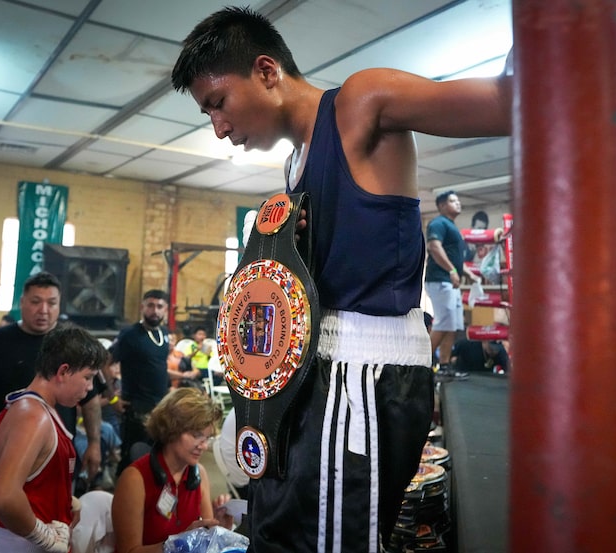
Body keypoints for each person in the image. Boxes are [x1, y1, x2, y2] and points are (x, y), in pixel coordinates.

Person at [171, 7, 511, 552]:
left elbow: (506, 103)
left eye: (218, 103)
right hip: (320, 373)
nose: (219, 127)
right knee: (279, 533)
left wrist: (552, 23)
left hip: (360, 375)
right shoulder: (294, 167)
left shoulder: (360, 100)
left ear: (265, 71)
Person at [0, 272, 103, 523]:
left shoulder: (74, 346)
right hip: (0, 458)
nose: (43, 310)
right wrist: (40, 536)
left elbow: (90, 401)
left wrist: (94, 442)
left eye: (51, 303)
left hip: (54, 456)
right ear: (22, 302)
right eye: (36, 301)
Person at [0, 325, 108, 551]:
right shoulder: (33, 416)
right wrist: (43, 536)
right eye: (87, 377)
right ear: (63, 371)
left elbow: (32, 480)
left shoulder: (36, 408)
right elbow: (2, 496)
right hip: (14, 543)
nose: (89, 388)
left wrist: (61, 501)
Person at [111, 387, 233, 552]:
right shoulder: (134, 479)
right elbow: (128, 551)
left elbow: (205, 544)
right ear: (171, 429)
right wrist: (177, 544)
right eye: (196, 435)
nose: (204, 446)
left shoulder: (198, 474)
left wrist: (220, 526)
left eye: (207, 438)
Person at [112, 289, 171, 475]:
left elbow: (157, 367)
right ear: (142, 307)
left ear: (166, 309)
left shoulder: (164, 333)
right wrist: (112, 397)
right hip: (136, 408)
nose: (155, 310)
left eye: (160, 306)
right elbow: (105, 363)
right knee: (132, 457)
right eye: (151, 305)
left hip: (159, 407)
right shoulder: (130, 335)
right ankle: (123, 496)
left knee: (157, 455)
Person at [425, 191, 481, 377]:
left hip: (450, 282)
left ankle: (445, 366)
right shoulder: (438, 223)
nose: (458, 203)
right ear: (441, 205)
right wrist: (452, 271)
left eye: (458, 200)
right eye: (452, 201)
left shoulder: (452, 227)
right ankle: (421, 365)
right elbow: (434, 247)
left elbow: (454, 258)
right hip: (440, 280)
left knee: (452, 325)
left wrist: (467, 273)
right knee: (443, 323)